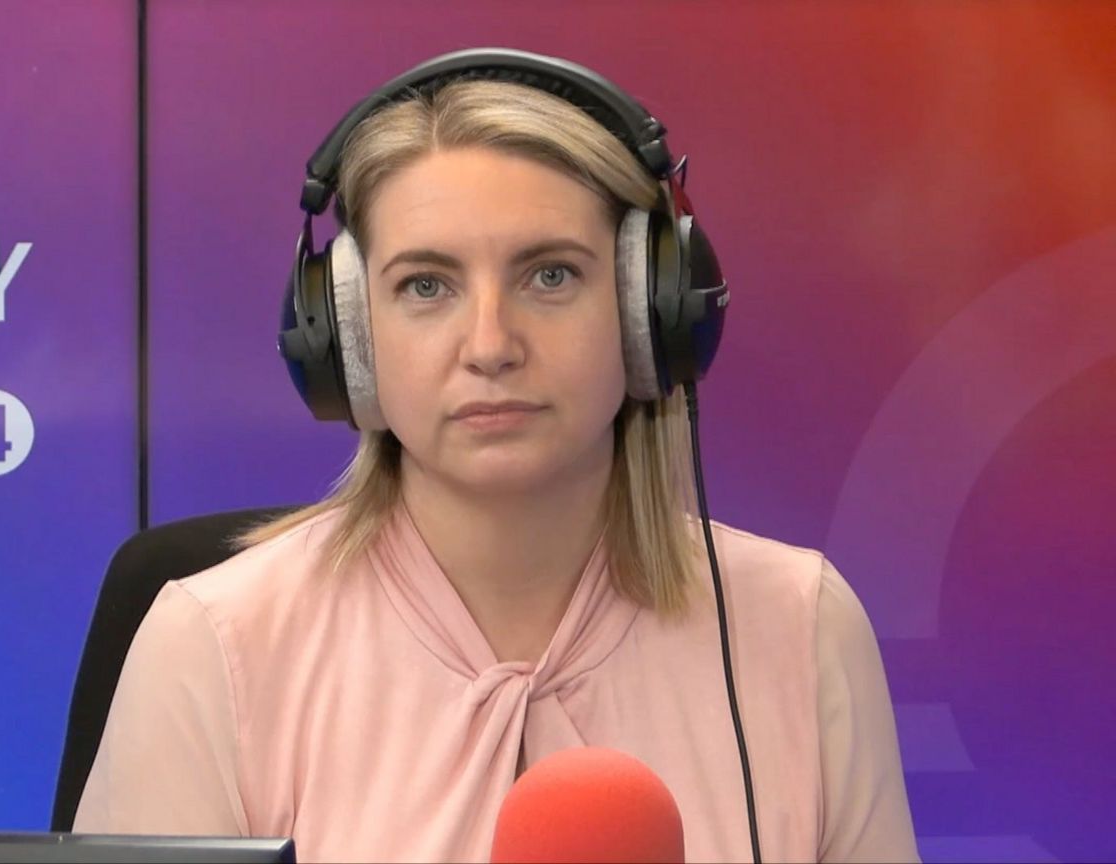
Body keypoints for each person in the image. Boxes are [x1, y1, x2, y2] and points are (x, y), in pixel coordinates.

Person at [74, 49, 918, 863]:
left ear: (647, 312)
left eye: (550, 276)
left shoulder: (798, 629)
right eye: (427, 286)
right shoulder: (215, 647)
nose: (490, 345)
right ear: (350, 337)